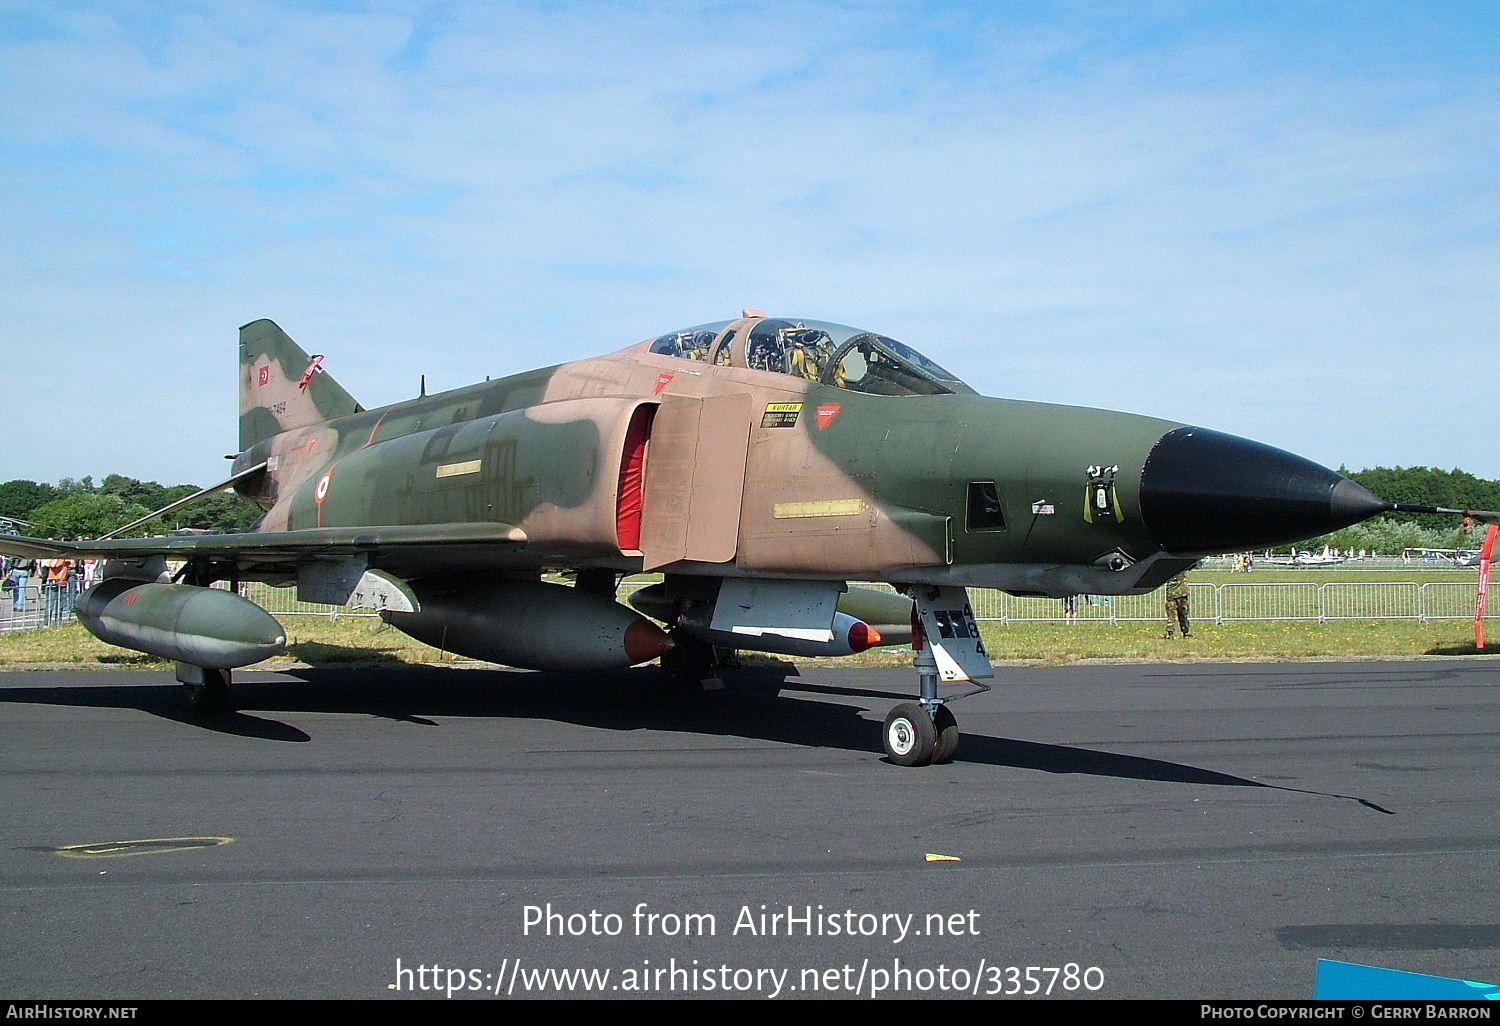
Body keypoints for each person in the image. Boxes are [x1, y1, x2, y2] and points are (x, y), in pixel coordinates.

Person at [1162, 569, 1191, 639]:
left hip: (1173, 592)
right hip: (1181, 592)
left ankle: (1171, 632)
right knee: (1182, 613)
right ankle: (1185, 632)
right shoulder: (1183, 565)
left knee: (1172, 614)